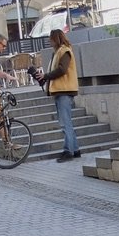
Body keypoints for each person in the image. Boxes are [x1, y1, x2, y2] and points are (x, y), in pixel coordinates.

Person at [29, 29, 80, 162]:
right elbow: (56, 70)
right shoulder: (58, 52)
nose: (49, 41)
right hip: (60, 90)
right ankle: (75, 150)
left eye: (50, 38)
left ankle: (68, 151)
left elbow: (62, 69)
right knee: (66, 122)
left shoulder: (64, 51)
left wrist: (45, 76)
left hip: (64, 90)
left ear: (55, 39)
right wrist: (44, 78)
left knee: (64, 122)